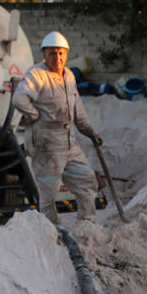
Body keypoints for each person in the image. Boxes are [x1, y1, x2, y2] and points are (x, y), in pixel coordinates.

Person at [12, 31, 104, 223]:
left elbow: (78, 111)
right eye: (52, 53)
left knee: (87, 181)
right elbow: (19, 98)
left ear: (67, 54)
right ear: (44, 54)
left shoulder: (69, 75)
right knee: (48, 192)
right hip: (46, 141)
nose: (57, 57)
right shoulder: (37, 74)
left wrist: (92, 133)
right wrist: (34, 115)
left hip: (69, 139)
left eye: (61, 53)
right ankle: (51, 231)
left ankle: (87, 224)